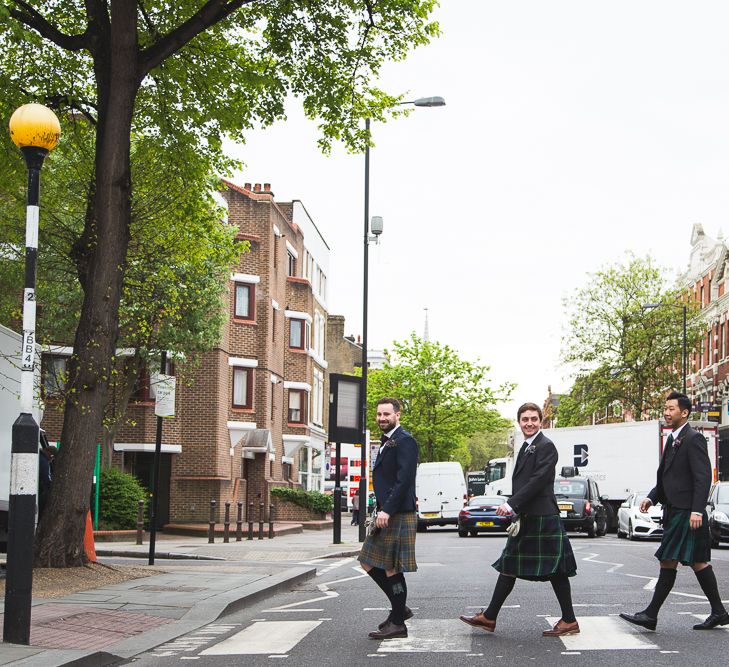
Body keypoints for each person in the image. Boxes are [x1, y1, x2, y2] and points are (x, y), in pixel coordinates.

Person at [459, 402, 579, 637]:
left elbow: (537, 480)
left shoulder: (546, 446)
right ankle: (490, 616)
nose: (529, 423)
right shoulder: (526, 446)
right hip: (530, 515)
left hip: (543, 515)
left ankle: (569, 621)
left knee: (555, 570)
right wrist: (516, 508)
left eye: (534, 419)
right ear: (519, 422)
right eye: (525, 419)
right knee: (510, 564)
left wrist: (511, 504)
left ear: (541, 421)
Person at [620, 391, 729, 631]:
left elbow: (702, 479)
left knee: (671, 560)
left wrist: (697, 511)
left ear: (685, 412)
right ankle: (719, 612)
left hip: (686, 512)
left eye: (671, 409)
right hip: (676, 510)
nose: (666, 413)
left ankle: (650, 615)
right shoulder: (672, 439)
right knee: (697, 562)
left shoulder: (693, 439)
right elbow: (669, 476)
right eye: (665, 408)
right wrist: (652, 496)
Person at [358, 397, 419, 639]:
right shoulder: (388, 442)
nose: (382, 418)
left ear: (397, 415)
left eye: (387, 414)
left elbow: (404, 480)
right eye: (379, 414)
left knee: (392, 568)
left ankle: (398, 623)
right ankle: (399, 608)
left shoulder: (404, 441)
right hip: (387, 512)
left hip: (397, 513)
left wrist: (387, 510)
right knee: (367, 561)